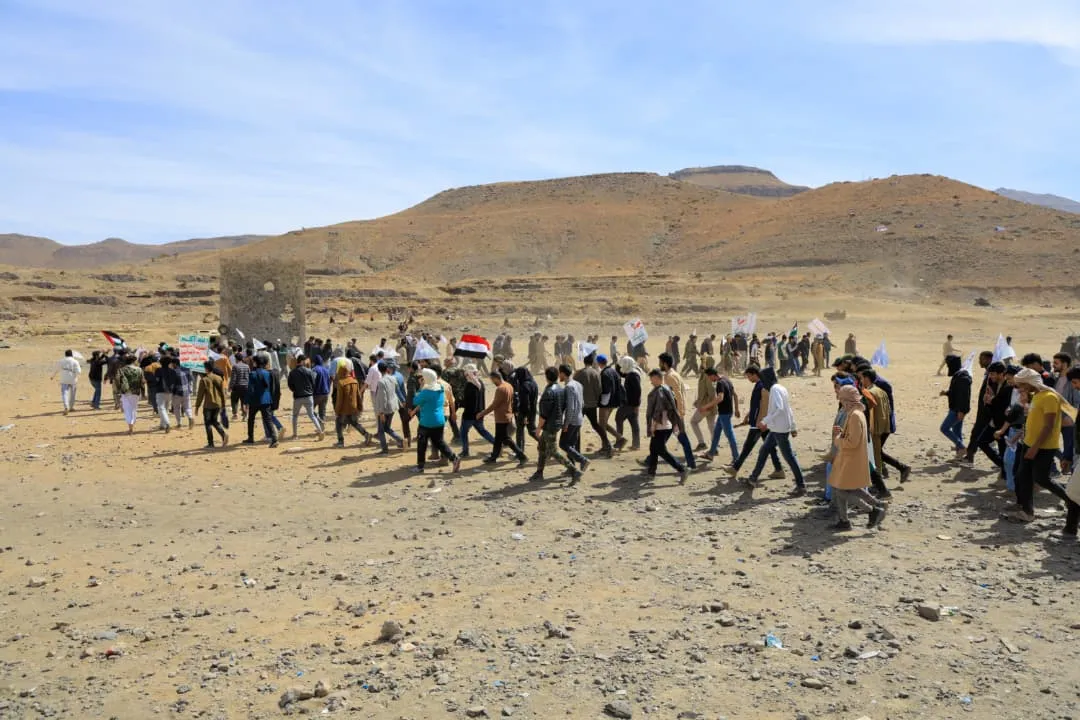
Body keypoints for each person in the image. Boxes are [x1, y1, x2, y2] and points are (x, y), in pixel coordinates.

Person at [1007, 368, 1079, 536]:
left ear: (1030, 383)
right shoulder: (1037, 396)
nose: (1019, 389)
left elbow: (1048, 426)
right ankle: (1027, 511)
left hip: (1043, 447)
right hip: (1029, 443)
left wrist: (1034, 448)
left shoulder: (1049, 398)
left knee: (1042, 479)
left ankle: (1072, 502)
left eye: (1022, 386)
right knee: (1022, 476)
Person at [738, 367, 806, 496]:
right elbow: (788, 409)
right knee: (764, 450)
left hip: (779, 429)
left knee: (789, 457)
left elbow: (780, 409)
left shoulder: (775, 390)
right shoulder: (781, 388)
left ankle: (801, 486)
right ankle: (753, 478)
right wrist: (792, 426)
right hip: (777, 428)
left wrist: (765, 421)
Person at [829, 385, 888, 530]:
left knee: (841, 490)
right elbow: (853, 436)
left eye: (842, 399)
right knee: (849, 488)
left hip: (850, 459)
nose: (840, 402)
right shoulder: (855, 413)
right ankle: (872, 507)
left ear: (847, 400)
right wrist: (842, 432)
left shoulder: (855, 415)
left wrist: (837, 438)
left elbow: (852, 442)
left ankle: (872, 510)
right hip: (850, 458)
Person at [728, 365, 783, 478]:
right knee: (770, 447)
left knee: (747, 447)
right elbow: (756, 405)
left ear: (754, 374)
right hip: (760, 422)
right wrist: (748, 416)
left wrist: (760, 422)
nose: (748, 379)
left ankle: (735, 468)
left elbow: (764, 406)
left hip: (759, 424)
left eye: (748, 376)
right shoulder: (759, 385)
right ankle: (779, 469)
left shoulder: (762, 386)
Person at [530, 367, 581, 484]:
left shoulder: (549, 392)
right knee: (542, 447)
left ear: (547, 377)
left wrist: (538, 428)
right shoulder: (561, 389)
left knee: (553, 451)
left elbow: (544, 414)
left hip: (550, 426)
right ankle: (539, 472)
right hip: (557, 423)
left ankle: (574, 470)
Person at [410, 368, 461, 475]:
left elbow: (415, 400)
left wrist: (420, 387)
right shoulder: (441, 388)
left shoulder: (425, 392)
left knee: (422, 445)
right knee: (440, 442)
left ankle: (420, 466)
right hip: (439, 420)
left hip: (426, 422)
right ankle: (454, 458)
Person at [644, 369, 689, 482]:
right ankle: (651, 473)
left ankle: (682, 469)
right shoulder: (666, 389)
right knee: (653, 448)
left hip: (661, 426)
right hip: (665, 425)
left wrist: (653, 426)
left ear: (658, 378)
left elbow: (658, 411)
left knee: (660, 450)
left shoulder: (660, 391)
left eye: (652, 379)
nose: (651, 382)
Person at [477, 370, 528, 466]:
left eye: (492, 380)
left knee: (506, 439)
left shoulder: (500, 389)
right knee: (498, 439)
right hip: (507, 415)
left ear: (496, 378)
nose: (492, 382)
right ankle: (493, 457)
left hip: (502, 417)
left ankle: (522, 456)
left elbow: (494, 405)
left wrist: (482, 413)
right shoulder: (509, 385)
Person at [658, 352, 696, 471]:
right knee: (663, 436)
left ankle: (691, 464)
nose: (659, 364)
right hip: (674, 413)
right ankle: (650, 459)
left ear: (664, 363)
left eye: (660, 362)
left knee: (682, 437)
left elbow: (678, 395)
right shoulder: (674, 374)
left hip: (674, 414)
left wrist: (680, 411)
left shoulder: (669, 377)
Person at [703, 366, 740, 465]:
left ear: (712, 375)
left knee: (730, 435)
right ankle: (711, 453)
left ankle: (737, 459)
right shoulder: (727, 380)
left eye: (709, 377)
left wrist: (707, 406)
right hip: (726, 412)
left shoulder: (719, 383)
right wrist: (736, 409)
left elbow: (720, 398)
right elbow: (735, 395)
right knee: (716, 433)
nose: (709, 380)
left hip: (724, 413)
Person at [573, 352, 609, 455]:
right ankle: (607, 443)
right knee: (595, 424)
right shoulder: (596, 373)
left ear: (584, 362)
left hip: (581, 404)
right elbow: (599, 389)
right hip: (592, 404)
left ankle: (576, 450)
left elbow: (574, 388)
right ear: (592, 362)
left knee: (577, 426)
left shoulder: (579, 374)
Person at [331, 361, 373, 448]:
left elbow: (340, 399)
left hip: (344, 409)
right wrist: (360, 406)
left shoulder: (341, 382)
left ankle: (340, 442)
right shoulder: (354, 381)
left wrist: (337, 410)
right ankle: (366, 434)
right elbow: (358, 395)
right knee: (354, 423)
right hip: (353, 407)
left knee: (338, 423)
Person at [558, 364, 591, 472]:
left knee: (563, 444)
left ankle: (583, 460)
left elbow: (570, 407)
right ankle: (572, 468)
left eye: (559, 373)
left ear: (563, 373)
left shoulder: (569, 387)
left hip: (572, 420)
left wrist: (566, 424)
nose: (559, 376)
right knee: (570, 445)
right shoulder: (578, 384)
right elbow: (582, 403)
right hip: (579, 418)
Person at [458, 363, 496, 457]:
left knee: (463, 432)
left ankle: (465, 451)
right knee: (482, 431)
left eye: (466, 374)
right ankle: (497, 444)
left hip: (469, 414)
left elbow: (467, 401)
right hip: (480, 413)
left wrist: (459, 403)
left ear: (468, 374)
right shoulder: (480, 383)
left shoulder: (469, 385)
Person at [940, 354, 971, 459]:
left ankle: (962, 448)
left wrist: (961, 411)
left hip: (957, 409)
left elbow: (964, 396)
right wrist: (947, 393)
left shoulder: (962, 377)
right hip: (956, 408)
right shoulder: (959, 375)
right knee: (957, 431)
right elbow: (956, 392)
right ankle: (960, 453)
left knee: (944, 428)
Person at [287, 354, 324, 440]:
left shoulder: (292, 372)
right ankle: (320, 431)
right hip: (309, 396)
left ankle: (295, 435)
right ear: (303, 361)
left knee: (295, 416)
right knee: (312, 415)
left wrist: (295, 390)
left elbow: (290, 385)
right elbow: (314, 382)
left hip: (297, 397)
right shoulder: (309, 371)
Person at [244, 356, 279, 447]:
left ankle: (250, 438)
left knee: (251, 419)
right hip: (266, 400)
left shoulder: (252, 374)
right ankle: (274, 439)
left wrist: (246, 402)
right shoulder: (268, 373)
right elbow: (270, 387)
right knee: (268, 420)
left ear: (255, 363)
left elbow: (250, 389)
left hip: (255, 401)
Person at [1053, 353, 1079, 473]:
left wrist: (1070, 417)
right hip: (1056, 419)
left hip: (1069, 422)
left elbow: (1076, 403)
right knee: (1050, 446)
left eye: (1056, 363)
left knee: (1072, 451)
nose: (1054, 365)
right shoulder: (1056, 379)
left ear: (1065, 364)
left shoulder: (1072, 381)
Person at [194, 360, 229, 448]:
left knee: (208, 423)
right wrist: (224, 404)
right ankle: (223, 435)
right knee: (214, 421)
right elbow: (222, 393)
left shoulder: (204, 380)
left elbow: (200, 395)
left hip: (208, 405)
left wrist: (197, 406)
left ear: (206, 369)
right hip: (218, 404)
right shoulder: (219, 378)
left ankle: (211, 443)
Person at [373, 362, 404, 454]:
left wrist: (381, 412)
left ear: (379, 370)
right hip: (392, 407)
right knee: (386, 428)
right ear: (387, 369)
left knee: (381, 430)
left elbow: (383, 398)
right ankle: (400, 440)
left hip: (385, 409)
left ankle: (384, 450)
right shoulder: (393, 378)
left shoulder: (381, 382)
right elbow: (395, 392)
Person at [597, 355, 626, 451]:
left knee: (601, 425)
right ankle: (619, 439)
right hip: (614, 402)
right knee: (603, 424)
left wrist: (603, 403)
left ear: (599, 363)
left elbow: (606, 390)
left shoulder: (604, 373)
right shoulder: (613, 371)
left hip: (607, 403)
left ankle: (607, 445)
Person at [508, 364, 539, 451]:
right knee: (532, 431)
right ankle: (546, 445)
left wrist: (524, 415)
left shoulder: (524, 386)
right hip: (532, 411)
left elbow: (525, 403)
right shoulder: (534, 383)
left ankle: (520, 452)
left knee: (520, 432)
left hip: (524, 412)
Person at [689, 359, 718, 451]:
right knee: (711, 426)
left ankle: (701, 443)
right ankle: (714, 448)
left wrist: (707, 406)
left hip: (706, 406)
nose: (701, 363)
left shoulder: (707, 376)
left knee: (693, 422)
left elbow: (712, 393)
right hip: (708, 405)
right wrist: (698, 401)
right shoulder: (704, 375)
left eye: (703, 361)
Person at [615, 356, 642, 451]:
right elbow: (622, 374)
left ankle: (620, 442)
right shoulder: (632, 372)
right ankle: (636, 444)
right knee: (633, 422)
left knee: (619, 418)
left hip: (630, 404)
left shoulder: (633, 376)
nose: (621, 366)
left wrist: (636, 406)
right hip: (631, 403)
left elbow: (638, 391)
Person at [115, 354, 144, 433]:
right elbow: (142, 382)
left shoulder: (121, 370)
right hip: (136, 391)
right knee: (134, 408)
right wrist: (143, 392)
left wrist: (118, 391)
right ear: (134, 361)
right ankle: (132, 424)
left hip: (125, 391)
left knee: (127, 409)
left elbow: (117, 381)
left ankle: (130, 427)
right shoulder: (139, 369)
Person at [51, 349, 81, 415]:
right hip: (73, 379)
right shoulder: (75, 361)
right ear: (72, 354)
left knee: (64, 393)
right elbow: (79, 371)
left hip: (64, 379)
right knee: (73, 394)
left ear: (65, 354)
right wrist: (74, 374)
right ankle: (71, 407)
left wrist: (52, 376)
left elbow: (56, 369)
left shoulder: (61, 361)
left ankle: (66, 407)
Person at [173, 360, 196, 429]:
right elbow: (191, 379)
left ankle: (179, 423)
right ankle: (190, 417)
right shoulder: (187, 369)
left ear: (175, 364)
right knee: (187, 407)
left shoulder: (174, 372)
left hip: (177, 393)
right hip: (186, 392)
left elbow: (172, 383)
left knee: (176, 408)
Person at [228, 353, 250, 421]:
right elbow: (249, 376)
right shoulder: (247, 366)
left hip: (237, 386)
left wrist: (230, 387)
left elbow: (233, 378)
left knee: (234, 400)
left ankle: (235, 415)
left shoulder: (235, 366)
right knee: (244, 402)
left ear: (236, 359)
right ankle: (245, 416)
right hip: (246, 386)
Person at [311, 355, 331, 423]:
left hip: (316, 394)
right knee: (322, 412)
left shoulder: (314, 370)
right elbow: (329, 381)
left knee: (310, 410)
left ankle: (318, 419)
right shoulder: (326, 370)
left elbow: (312, 381)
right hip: (325, 394)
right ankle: (322, 428)